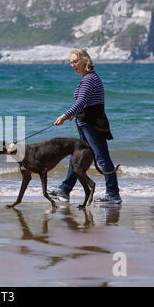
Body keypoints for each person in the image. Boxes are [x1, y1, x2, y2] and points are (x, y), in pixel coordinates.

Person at [50, 49, 122, 204]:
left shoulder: (89, 79)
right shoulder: (88, 78)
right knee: (77, 158)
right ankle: (65, 190)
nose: (73, 65)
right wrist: (74, 115)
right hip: (86, 124)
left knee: (102, 158)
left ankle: (113, 194)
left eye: (75, 61)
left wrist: (65, 115)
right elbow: (85, 103)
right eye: (71, 62)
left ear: (85, 61)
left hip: (93, 125)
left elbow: (81, 102)